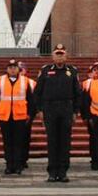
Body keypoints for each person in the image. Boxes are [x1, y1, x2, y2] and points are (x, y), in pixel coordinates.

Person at [37, 44, 81, 183]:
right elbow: (38, 92)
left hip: (66, 108)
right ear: (53, 56)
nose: (60, 56)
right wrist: (39, 110)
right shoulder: (45, 71)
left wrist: (75, 111)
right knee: (52, 141)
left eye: (62, 53)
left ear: (66, 56)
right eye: (57, 53)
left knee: (65, 142)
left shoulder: (72, 71)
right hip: (50, 109)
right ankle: (52, 171)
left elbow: (77, 93)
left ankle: (63, 172)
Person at [0, 58, 35, 176]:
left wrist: (30, 114)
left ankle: (18, 166)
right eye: (10, 68)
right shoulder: (0, 80)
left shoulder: (25, 81)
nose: (12, 70)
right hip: (5, 115)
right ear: (7, 69)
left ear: (18, 69)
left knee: (18, 142)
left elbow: (30, 99)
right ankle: (9, 165)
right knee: (7, 142)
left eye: (14, 68)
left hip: (20, 115)